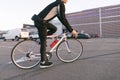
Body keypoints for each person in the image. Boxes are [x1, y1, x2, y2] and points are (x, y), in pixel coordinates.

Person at [31, 0, 78, 68]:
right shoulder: (60, 4)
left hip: (41, 21)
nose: (68, 0)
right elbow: (63, 19)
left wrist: (70, 29)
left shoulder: (57, 4)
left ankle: (43, 37)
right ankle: (43, 62)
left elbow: (61, 19)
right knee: (44, 41)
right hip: (41, 22)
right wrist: (71, 30)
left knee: (54, 29)